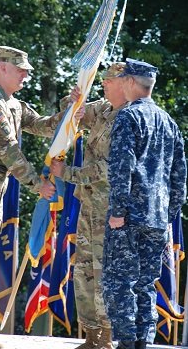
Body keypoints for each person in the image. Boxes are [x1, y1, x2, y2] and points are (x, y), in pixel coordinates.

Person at [0, 46, 64, 349]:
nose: (26, 74)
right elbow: (7, 150)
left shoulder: (12, 104)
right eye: (21, 69)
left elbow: (42, 126)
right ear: (2, 68)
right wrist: (37, 184)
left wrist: (70, 110)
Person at [101, 58, 187, 349]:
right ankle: (142, 342)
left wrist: (117, 212)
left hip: (128, 218)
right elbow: (180, 178)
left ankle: (127, 342)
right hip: (157, 219)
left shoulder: (128, 117)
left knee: (119, 283)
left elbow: (121, 168)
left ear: (129, 82)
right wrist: (168, 215)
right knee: (145, 284)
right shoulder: (169, 122)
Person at [50, 62, 127, 349]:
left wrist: (66, 174)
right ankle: (92, 334)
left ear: (125, 84)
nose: (103, 84)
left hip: (110, 210)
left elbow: (107, 170)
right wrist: (73, 101)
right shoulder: (103, 109)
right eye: (103, 80)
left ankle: (106, 336)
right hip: (88, 205)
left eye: (108, 81)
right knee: (83, 270)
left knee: (104, 270)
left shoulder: (129, 118)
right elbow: (75, 114)